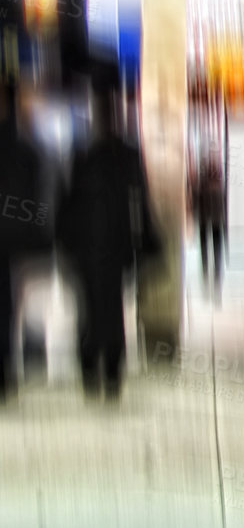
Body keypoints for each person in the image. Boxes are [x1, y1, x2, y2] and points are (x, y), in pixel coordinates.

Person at [56, 88, 156, 401]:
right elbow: (140, 201)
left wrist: (65, 240)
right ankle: (106, 368)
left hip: (96, 246)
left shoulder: (85, 154)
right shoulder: (120, 154)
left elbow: (68, 202)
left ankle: (97, 366)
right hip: (110, 245)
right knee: (108, 308)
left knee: (95, 308)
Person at [0, 79, 47, 402]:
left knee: (8, 303)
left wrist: (35, 232)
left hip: (10, 242)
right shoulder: (26, 148)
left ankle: (5, 366)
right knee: (7, 303)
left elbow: (35, 197)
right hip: (13, 240)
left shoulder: (25, 149)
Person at [190, 149, 226, 293]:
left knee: (205, 247)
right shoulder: (219, 185)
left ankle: (206, 274)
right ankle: (216, 276)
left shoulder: (200, 184)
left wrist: (195, 215)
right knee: (216, 248)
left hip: (204, 218)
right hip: (216, 219)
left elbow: (195, 202)